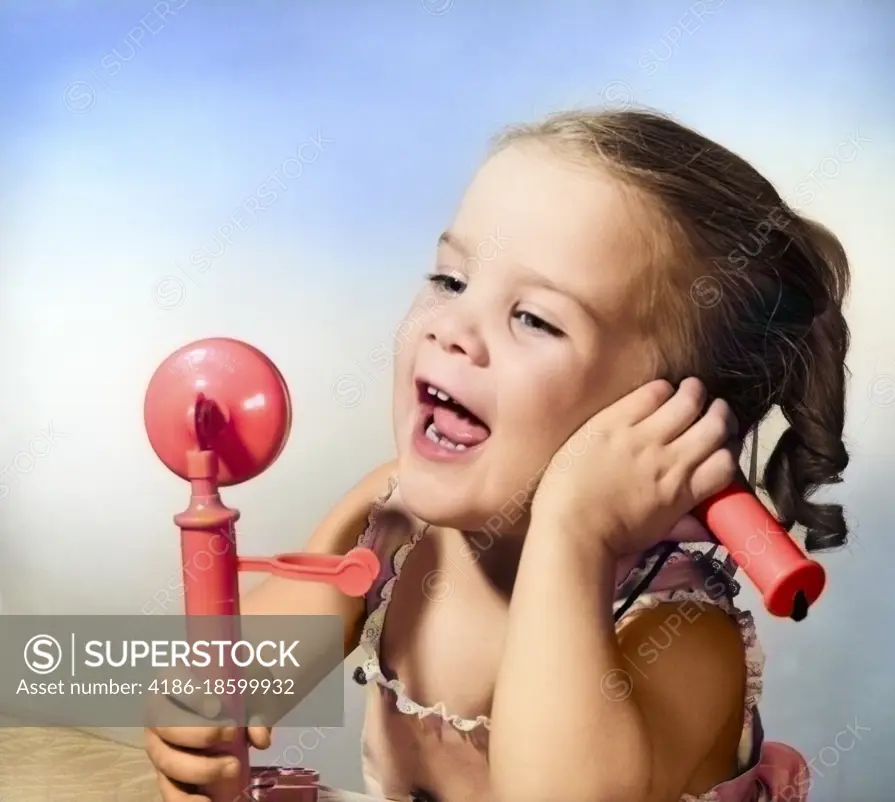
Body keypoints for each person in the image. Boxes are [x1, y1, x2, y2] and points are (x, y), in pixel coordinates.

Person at [145, 107, 851, 802]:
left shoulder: (683, 629)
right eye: (451, 280)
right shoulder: (393, 520)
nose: (453, 330)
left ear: (669, 426)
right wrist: (194, 720)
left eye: (535, 319)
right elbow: (233, 679)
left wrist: (575, 534)